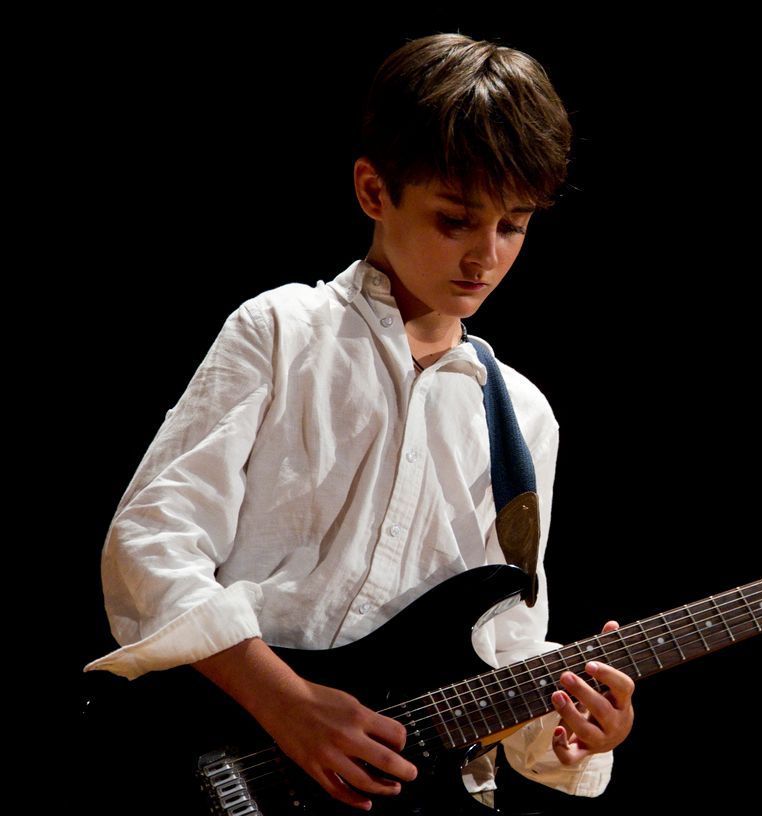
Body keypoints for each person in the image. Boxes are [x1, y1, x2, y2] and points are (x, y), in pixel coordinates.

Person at [84, 32, 634, 812]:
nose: (486, 255)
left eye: (512, 225)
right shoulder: (282, 331)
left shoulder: (523, 417)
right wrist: (284, 702)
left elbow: (500, 650)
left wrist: (573, 727)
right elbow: (151, 544)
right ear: (374, 191)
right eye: (455, 219)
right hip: (227, 756)